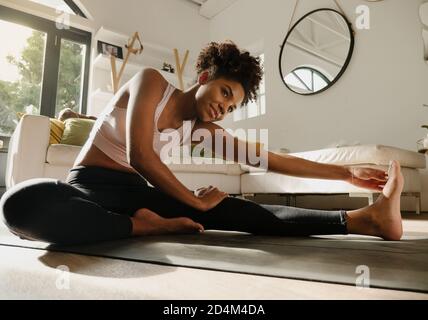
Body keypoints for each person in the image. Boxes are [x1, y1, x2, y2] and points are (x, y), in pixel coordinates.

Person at [0, 41, 404, 245]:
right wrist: (193, 201)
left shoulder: (202, 131)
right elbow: (141, 156)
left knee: (235, 211)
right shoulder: (151, 83)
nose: (223, 109)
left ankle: (362, 221)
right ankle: (139, 227)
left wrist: (346, 173)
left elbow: (271, 160)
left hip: (135, 195)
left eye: (233, 107)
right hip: (88, 186)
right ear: (206, 77)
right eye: (226, 93)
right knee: (19, 205)